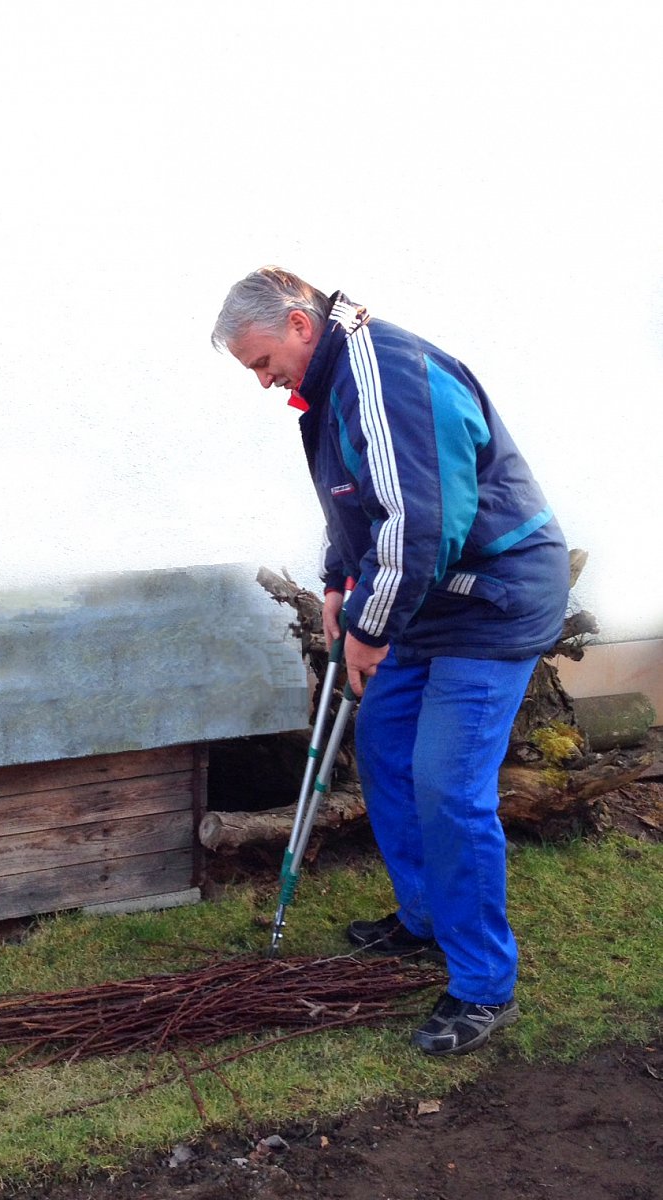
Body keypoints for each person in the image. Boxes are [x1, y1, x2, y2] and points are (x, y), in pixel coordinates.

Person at [211, 267, 570, 1056]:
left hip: (491, 596)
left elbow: (420, 518)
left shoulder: (384, 372)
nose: (264, 382)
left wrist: (369, 627)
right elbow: (355, 498)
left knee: (448, 786)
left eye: (262, 362)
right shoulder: (332, 380)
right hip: (425, 593)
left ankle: (482, 985)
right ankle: (426, 920)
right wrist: (339, 583)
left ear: (300, 324)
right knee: (381, 750)